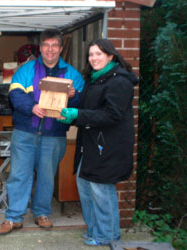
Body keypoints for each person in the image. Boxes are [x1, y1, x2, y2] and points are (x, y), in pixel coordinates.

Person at [0, 29, 85, 235]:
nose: (50, 50)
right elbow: (15, 95)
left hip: (54, 135)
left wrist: (74, 96)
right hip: (26, 132)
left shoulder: (72, 74)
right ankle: (13, 218)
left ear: (61, 48)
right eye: (46, 45)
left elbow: (82, 103)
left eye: (54, 46)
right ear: (41, 48)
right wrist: (31, 107)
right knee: (19, 175)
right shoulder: (26, 70)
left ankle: (41, 213)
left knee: (46, 176)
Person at [58, 38, 138, 246]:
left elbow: (111, 115)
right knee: (84, 185)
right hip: (91, 144)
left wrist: (78, 114)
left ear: (110, 56)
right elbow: (89, 111)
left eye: (98, 54)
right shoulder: (95, 79)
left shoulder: (119, 81)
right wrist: (72, 116)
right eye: (91, 54)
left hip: (108, 146)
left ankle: (108, 235)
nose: (93, 58)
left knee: (102, 191)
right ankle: (95, 231)